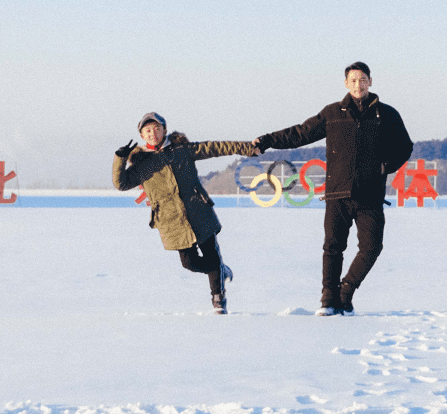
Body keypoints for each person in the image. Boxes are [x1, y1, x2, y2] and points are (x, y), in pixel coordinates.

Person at [256, 62, 412, 315]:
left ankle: (346, 291)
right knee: (333, 247)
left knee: (372, 247)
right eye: (352, 80)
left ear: (370, 81)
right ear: (345, 83)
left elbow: (405, 146)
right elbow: (300, 134)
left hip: (370, 194)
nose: (357, 85)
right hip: (338, 192)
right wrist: (266, 141)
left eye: (362, 80)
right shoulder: (333, 113)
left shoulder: (386, 114)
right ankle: (328, 301)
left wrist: (386, 166)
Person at [114, 112, 258, 314]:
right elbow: (121, 184)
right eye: (147, 130)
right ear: (142, 135)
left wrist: (247, 148)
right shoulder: (141, 163)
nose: (152, 133)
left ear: (164, 130)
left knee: (211, 252)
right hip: (171, 220)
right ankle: (219, 269)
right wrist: (120, 158)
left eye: (156, 128)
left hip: (198, 210)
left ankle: (218, 299)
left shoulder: (182, 149)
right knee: (189, 263)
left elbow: (216, 147)